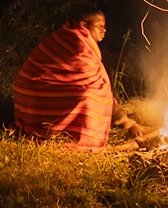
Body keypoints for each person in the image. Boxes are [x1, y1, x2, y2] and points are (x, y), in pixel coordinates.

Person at [13, 8, 118, 149]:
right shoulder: (78, 43)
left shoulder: (66, 34)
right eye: (99, 26)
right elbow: (93, 85)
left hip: (26, 99)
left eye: (105, 26)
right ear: (83, 25)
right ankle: (76, 134)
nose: (104, 30)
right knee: (90, 97)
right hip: (36, 97)